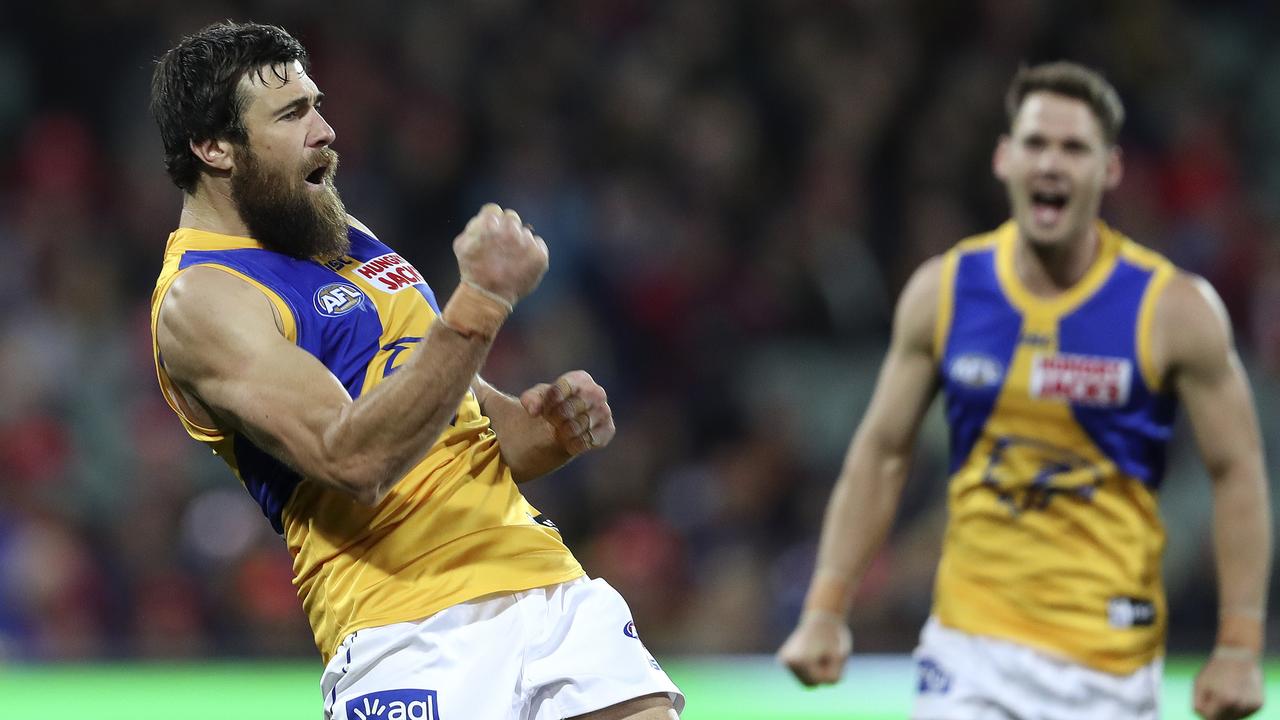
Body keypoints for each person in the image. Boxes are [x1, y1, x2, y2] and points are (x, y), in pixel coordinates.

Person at [148, 21, 682, 720]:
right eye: (292, 114)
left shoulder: (341, 235)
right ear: (213, 147)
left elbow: (462, 419)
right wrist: (482, 301)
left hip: (547, 587)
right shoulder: (203, 297)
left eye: (317, 103)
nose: (326, 130)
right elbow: (356, 458)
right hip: (409, 631)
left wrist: (546, 425)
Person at [778, 61, 1271, 720]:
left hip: (1111, 666)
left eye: (1074, 148)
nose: (1052, 163)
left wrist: (1239, 644)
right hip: (968, 653)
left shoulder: (1173, 309)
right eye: (1036, 143)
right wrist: (825, 607)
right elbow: (882, 452)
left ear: (1111, 169)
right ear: (1004, 158)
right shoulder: (944, 291)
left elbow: (1237, 470)